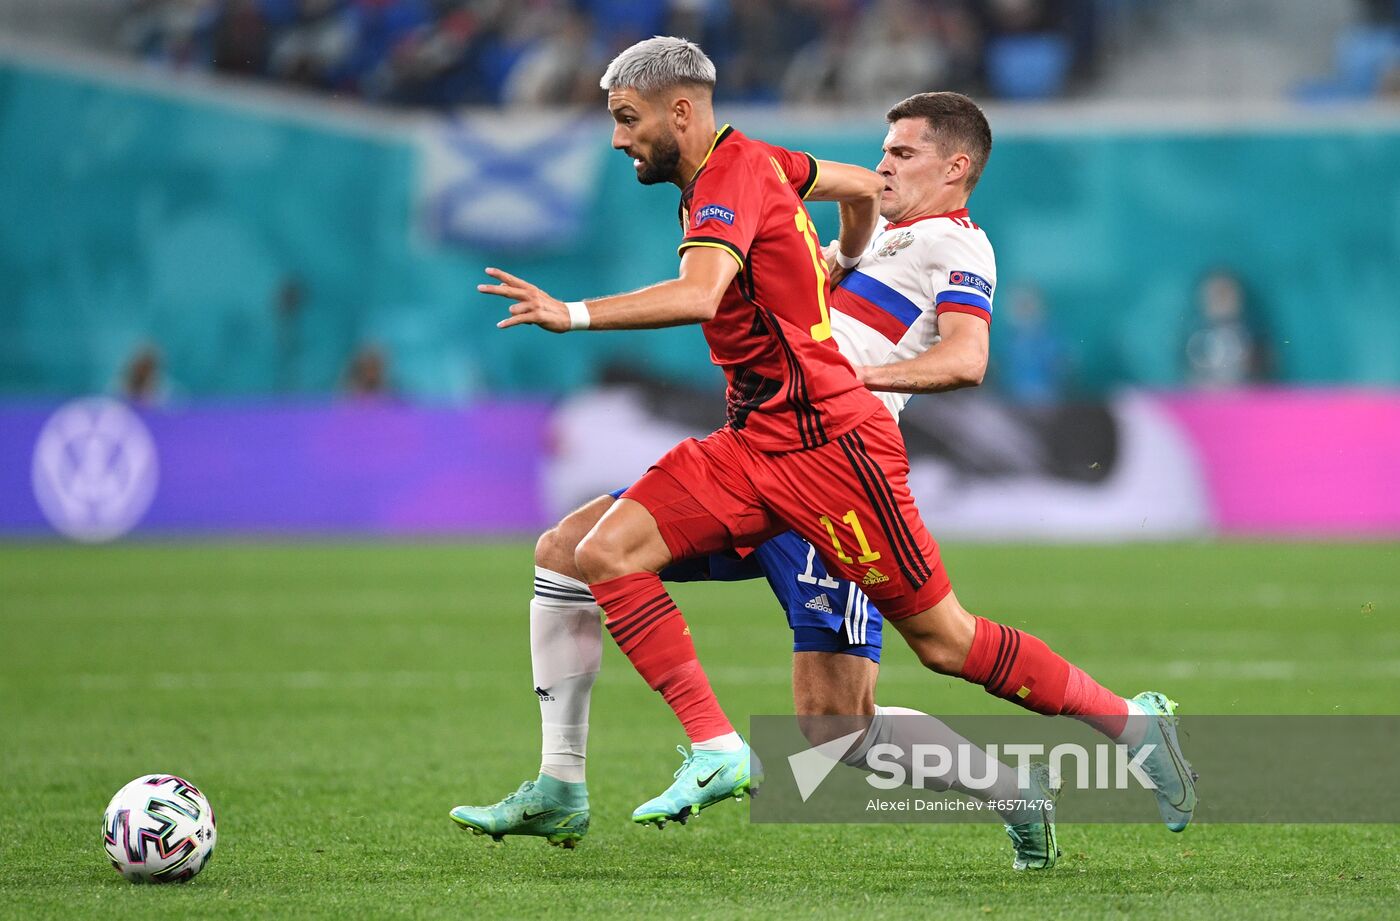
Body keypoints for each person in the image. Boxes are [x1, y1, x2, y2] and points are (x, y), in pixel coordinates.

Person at [466, 36, 1194, 862]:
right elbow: (844, 193)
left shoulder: (956, 245)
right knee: (578, 550)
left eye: (903, 154)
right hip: (762, 443)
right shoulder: (868, 232)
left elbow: (967, 358)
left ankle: (1120, 728)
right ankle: (575, 778)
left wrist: (860, 377)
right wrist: (841, 256)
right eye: (882, 150)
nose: (882, 167)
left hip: (838, 468)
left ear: (955, 168)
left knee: (882, 691)